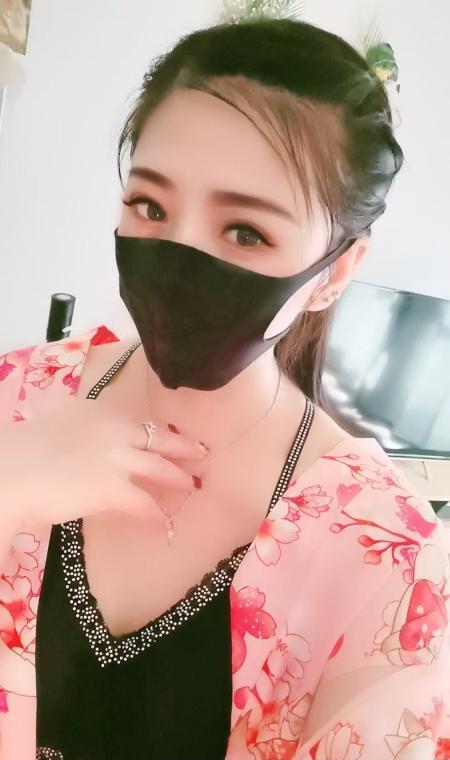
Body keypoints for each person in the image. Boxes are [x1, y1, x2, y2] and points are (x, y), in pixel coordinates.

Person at [0, 14, 449, 760]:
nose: (178, 256)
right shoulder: (18, 394)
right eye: (150, 206)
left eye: (246, 232)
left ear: (335, 270)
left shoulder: (388, 558)